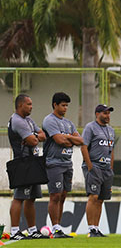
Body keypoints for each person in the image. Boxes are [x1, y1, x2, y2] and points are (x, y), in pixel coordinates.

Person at [42, 92, 83, 238]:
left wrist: (68, 137)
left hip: (67, 163)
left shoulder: (68, 123)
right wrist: (70, 138)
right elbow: (60, 140)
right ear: (55, 105)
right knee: (55, 195)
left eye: (67, 105)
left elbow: (81, 141)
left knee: (63, 195)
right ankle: (55, 228)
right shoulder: (49, 120)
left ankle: (58, 227)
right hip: (54, 163)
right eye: (63, 105)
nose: (66, 108)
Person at [8, 94, 47, 240]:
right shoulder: (17, 121)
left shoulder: (28, 121)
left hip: (32, 162)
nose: (31, 107)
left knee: (31, 198)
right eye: (28, 104)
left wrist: (34, 136)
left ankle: (32, 230)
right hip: (22, 163)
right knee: (19, 197)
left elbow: (42, 135)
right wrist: (34, 137)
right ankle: (14, 231)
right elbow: (33, 141)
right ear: (20, 105)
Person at [80, 104, 116, 237]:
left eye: (109, 113)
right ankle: (91, 229)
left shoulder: (111, 130)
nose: (107, 116)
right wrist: (90, 166)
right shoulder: (90, 127)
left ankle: (96, 227)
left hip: (106, 169)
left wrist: (111, 167)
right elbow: (83, 147)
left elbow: (111, 150)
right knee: (93, 196)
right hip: (95, 166)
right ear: (97, 114)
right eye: (105, 113)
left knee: (101, 198)